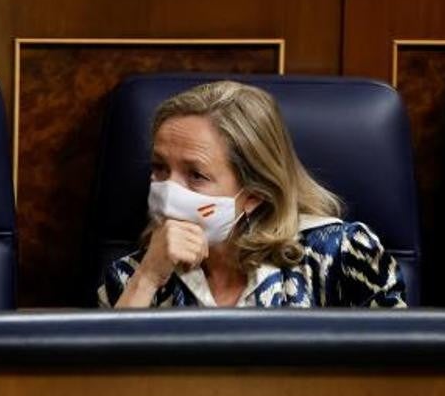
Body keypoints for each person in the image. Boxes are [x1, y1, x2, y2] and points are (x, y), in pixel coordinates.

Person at [98, 80, 406, 309]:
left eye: (196, 175)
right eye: (160, 168)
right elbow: (103, 385)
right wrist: (149, 277)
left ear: (254, 195)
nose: (169, 190)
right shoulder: (133, 275)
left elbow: (400, 378)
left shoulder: (341, 256)